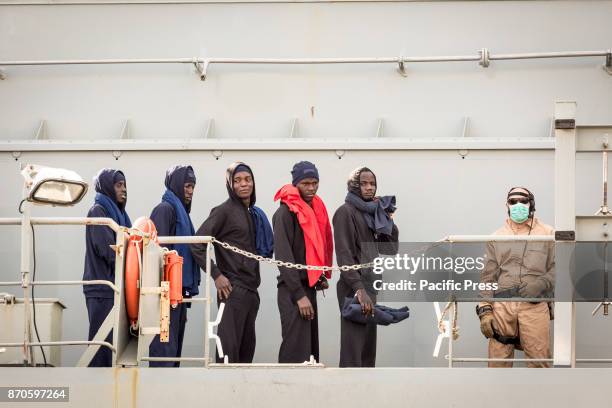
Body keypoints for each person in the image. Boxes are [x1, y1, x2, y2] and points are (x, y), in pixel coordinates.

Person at [191, 162, 273, 363]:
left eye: (248, 179)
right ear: (230, 184)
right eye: (237, 181)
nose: (244, 184)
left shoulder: (252, 213)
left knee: (246, 355)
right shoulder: (223, 211)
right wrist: (216, 275)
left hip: (251, 293)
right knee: (227, 354)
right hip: (232, 292)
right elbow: (196, 244)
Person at [477, 187, 554, 368]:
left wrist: (542, 283)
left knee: (539, 362)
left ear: (531, 204)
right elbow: (487, 277)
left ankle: (540, 396)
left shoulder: (548, 233)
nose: (518, 205)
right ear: (507, 205)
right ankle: (497, 397)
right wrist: (485, 310)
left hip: (534, 305)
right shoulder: (496, 237)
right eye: (513, 202)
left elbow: (560, 267)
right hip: (502, 307)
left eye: (523, 201)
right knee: (498, 364)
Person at [332, 167, 399, 367]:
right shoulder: (344, 212)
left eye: (372, 184)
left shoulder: (372, 213)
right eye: (364, 183)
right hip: (353, 289)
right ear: (354, 185)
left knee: (368, 350)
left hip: (370, 288)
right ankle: (348, 394)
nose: (369, 188)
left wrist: (388, 220)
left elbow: (391, 249)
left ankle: (366, 394)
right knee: (353, 348)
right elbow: (344, 256)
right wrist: (359, 290)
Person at [273, 161, 333, 363]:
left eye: (315, 182)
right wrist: (299, 296)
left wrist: (319, 276)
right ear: (296, 184)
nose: (311, 188)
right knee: (294, 350)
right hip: (292, 292)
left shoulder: (314, 210)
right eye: (306, 183)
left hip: (308, 288)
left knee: (309, 352)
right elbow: (284, 259)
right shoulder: (284, 214)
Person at [148, 165, 200, 367]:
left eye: (193, 186)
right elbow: (156, 255)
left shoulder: (182, 214)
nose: (190, 191)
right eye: (187, 185)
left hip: (178, 295)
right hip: (166, 297)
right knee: (164, 356)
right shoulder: (165, 210)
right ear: (177, 184)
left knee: (174, 356)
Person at [83, 168, 131, 367]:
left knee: (114, 345)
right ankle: (95, 387)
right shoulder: (98, 212)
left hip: (115, 289)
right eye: (118, 185)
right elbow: (108, 251)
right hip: (102, 289)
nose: (124, 190)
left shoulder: (119, 215)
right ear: (107, 187)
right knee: (101, 346)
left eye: (124, 185)